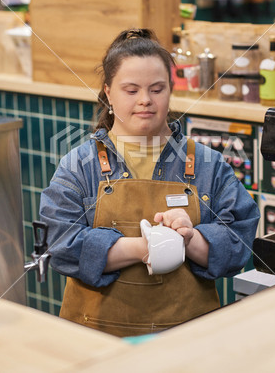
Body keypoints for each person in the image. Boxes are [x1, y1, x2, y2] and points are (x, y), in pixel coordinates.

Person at [40, 28, 260, 338]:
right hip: (96, 343)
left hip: (188, 342)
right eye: (131, 90)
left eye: (157, 89)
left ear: (171, 90)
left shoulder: (209, 165)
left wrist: (189, 239)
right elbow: (59, 244)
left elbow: (240, 243)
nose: (145, 100)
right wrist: (147, 247)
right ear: (108, 93)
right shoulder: (79, 166)